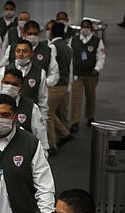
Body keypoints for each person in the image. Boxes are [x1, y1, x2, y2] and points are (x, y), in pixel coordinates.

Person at [0, 39, 49, 125]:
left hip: (30, 114)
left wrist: (43, 120)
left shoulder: (40, 73)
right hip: (6, 113)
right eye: (18, 51)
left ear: (32, 53)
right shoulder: (4, 70)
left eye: (24, 51)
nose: (21, 54)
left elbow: (43, 99)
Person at [0, 68, 49, 153]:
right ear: (2, 82)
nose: (10, 87)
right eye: (7, 83)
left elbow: (41, 136)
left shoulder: (31, 108)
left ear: (21, 86)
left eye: (14, 84)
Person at [70, 19, 105, 132]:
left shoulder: (97, 41)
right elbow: (69, 55)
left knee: (91, 96)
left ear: (91, 29)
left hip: (91, 74)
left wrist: (97, 68)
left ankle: (90, 116)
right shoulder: (73, 40)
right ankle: (75, 121)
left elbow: (101, 56)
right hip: (77, 74)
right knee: (76, 98)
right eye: (83, 27)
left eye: (87, 27)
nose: (84, 29)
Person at [46, 22, 73, 156]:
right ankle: (64, 133)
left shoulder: (52, 47)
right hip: (64, 85)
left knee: (47, 115)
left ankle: (52, 146)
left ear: (51, 33)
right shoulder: (68, 47)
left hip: (54, 86)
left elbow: (51, 66)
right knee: (51, 112)